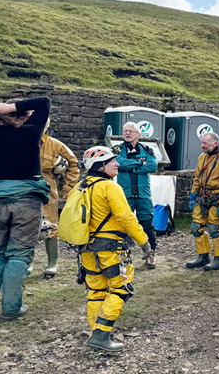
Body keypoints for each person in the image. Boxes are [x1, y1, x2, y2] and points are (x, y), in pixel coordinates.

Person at [78, 146, 149, 352]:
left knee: (96, 290)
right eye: (112, 161)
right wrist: (144, 242)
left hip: (86, 249)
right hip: (110, 249)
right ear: (100, 167)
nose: (117, 164)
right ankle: (101, 335)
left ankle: (96, 333)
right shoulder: (110, 187)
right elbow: (126, 217)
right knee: (120, 288)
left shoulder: (81, 186)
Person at [0, 97, 51, 320]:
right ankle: (11, 308)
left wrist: (3, 110)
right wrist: (11, 107)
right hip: (27, 200)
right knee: (18, 255)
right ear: (25, 115)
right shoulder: (32, 130)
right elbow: (44, 102)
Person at [185, 132, 219, 271]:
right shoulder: (202, 158)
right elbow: (197, 178)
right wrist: (193, 195)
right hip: (202, 198)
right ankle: (203, 256)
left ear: (215, 143)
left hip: (217, 199)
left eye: (205, 143)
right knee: (196, 228)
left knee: (214, 229)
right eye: (202, 143)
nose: (202, 146)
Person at [39, 118, 80, 278]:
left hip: (47, 187)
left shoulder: (55, 144)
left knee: (50, 223)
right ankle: (27, 263)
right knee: (24, 224)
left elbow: (73, 163)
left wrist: (69, 187)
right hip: (23, 186)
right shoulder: (20, 139)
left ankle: (52, 263)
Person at [116, 122, 158, 269]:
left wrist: (131, 168)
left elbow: (153, 166)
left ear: (139, 135)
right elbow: (118, 163)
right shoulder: (117, 149)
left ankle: (151, 254)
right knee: (122, 225)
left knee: (147, 223)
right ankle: (123, 256)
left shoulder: (147, 149)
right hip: (124, 193)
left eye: (131, 131)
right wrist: (140, 162)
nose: (127, 133)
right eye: (125, 131)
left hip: (143, 193)